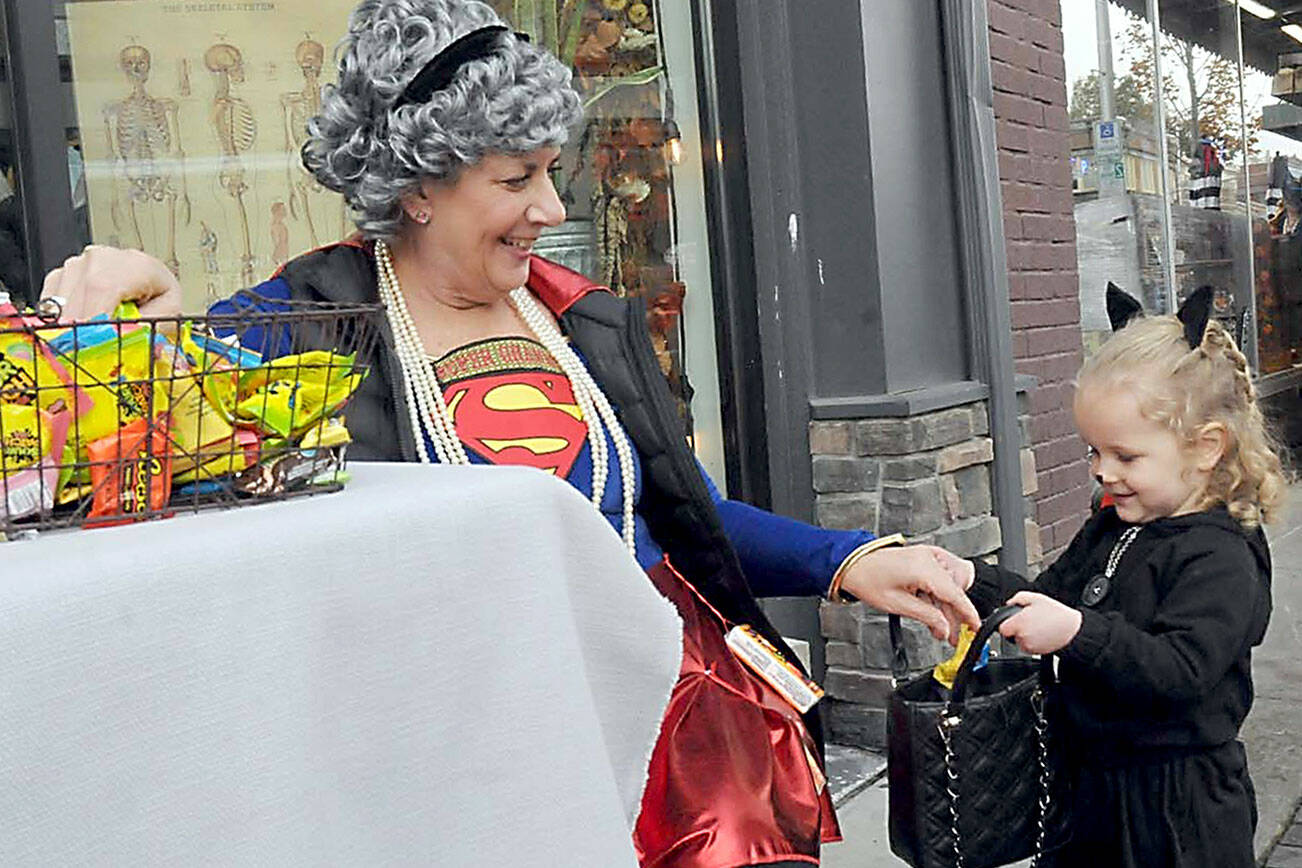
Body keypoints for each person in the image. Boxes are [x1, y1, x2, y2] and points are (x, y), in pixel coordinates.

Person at [41, 2, 977, 865]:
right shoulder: (308, 323)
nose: (553, 209)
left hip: (675, 731)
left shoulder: (585, 320)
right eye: (517, 178)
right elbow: (160, 423)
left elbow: (672, 514)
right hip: (463, 750)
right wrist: (142, 300)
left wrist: (848, 560)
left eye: (551, 172)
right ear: (420, 187)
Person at [938, 289, 1284, 867]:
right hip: (1091, 790)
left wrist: (1078, 633)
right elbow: (1045, 596)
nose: (1103, 471)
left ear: (1205, 448)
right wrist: (972, 579)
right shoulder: (1113, 525)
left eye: (1125, 456)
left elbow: (1181, 669)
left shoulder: (1221, 554)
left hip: (1176, 811)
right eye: (1094, 452)